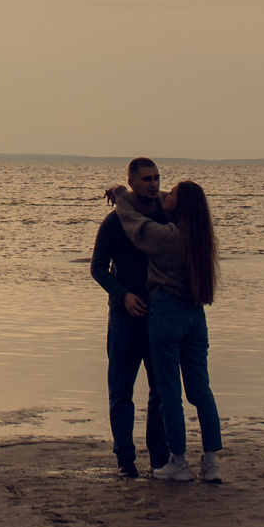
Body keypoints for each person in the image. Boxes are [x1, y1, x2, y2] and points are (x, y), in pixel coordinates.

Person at [103, 176, 224, 483]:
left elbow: (132, 221)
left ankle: (179, 463)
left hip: (167, 313)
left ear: (179, 207)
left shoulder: (166, 236)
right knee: (201, 392)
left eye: (171, 195)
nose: (162, 193)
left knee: (169, 391)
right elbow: (178, 200)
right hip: (196, 316)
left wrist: (121, 193)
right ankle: (211, 464)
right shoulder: (200, 235)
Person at [88, 157, 170, 478]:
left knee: (161, 391)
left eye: (157, 177)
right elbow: (97, 268)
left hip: (159, 318)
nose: (153, 183)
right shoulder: (114, 223)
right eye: (147, 179)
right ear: (131, 184)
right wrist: (124, 295)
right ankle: (125, 459)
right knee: (121, 391)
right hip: (124, 319)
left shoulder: (166, 217)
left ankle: (160, 457)